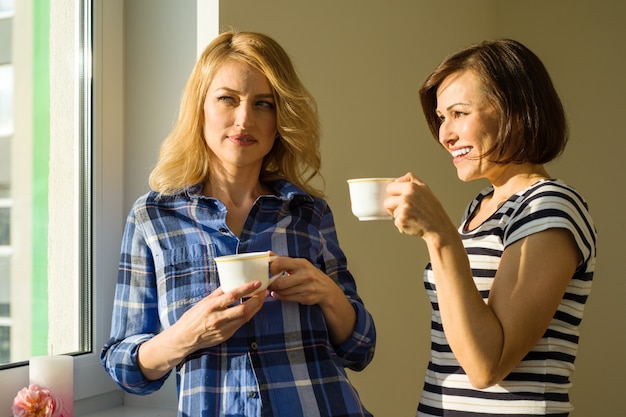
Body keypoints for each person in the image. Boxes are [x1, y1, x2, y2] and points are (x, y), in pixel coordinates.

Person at [100, 30, 376, 417]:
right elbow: (124, 366)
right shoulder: (153, 217)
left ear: (280, 118)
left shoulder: (307, 213)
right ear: (201, 108)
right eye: (227, 99)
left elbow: (361, 348)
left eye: (263, 104)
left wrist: (327, 292)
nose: (244, 119)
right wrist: (185, 336)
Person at [384, 39, 596, 416]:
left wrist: (440, 235)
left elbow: (487, 366)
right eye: (441, 117)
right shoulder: (481, 208)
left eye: (459, 113)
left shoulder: (548, 205)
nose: (444, 134)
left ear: (514, 110)